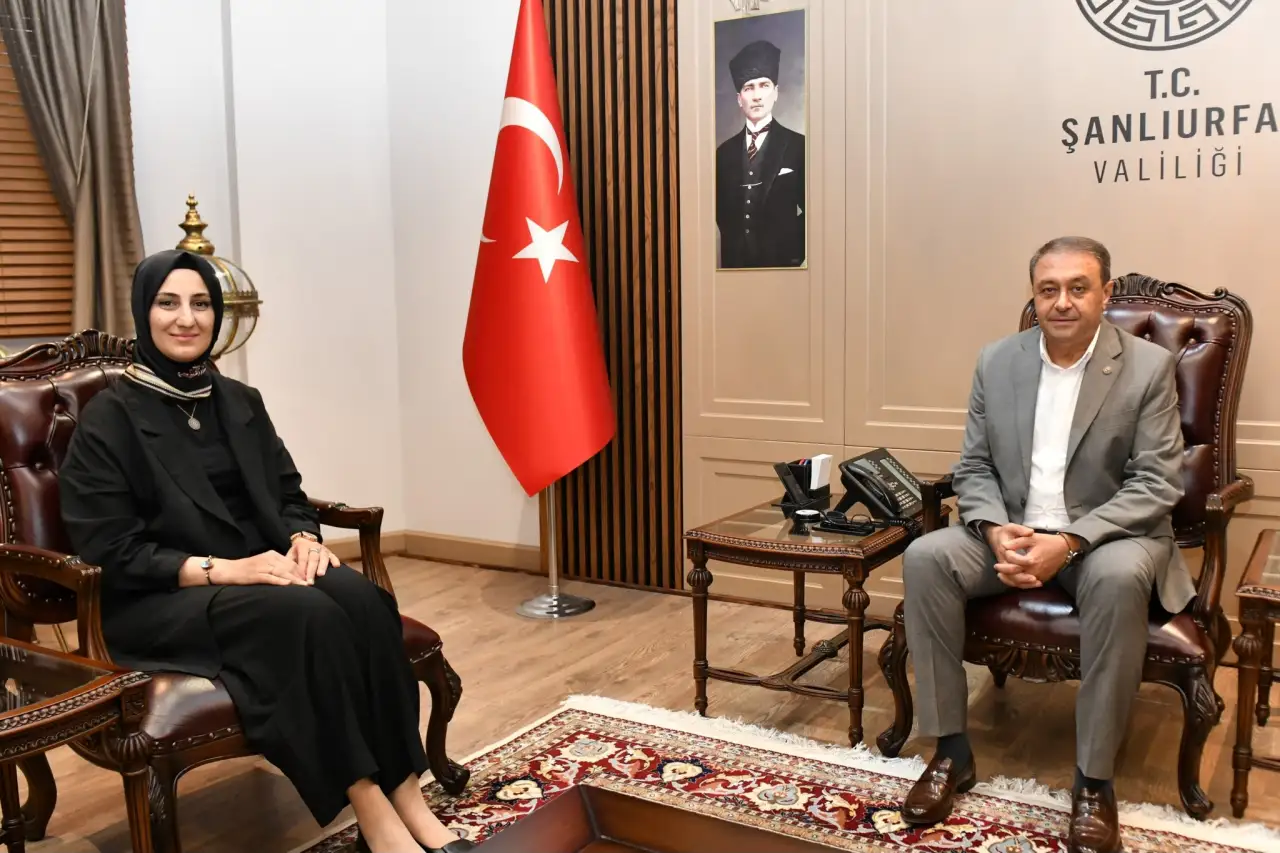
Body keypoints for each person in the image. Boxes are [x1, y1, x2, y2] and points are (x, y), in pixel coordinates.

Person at [58, 250, 472, 853]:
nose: (186, 318)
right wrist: (225, 570)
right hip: (159, 597)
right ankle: (371, 811)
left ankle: (407, 791)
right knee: (307, 616)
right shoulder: (108, 421)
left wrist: (303, 539)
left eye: (201, 304)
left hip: (260, 569)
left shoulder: (238, 400)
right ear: (142, 311)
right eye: (168, 303)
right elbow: (111, 549)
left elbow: (288, 492)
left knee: (363, 600)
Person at [898, 236, 1189, 853]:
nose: (1062, 302)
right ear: (1033, 296)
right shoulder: (996, 361)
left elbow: (1156, 483)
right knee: (926, 557)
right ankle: (950, 751)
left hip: (1107, 536)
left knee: (1117, 578)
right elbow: (974, 466)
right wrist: (992, 529)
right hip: (1013, 530)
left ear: (1106, 294)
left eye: (1078, 288)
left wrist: (1072, 540)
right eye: (1048, 289)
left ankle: (1094, 782)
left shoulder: (1147, 367)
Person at [715, 38, 805, 269]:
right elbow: (719, 214)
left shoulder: (799, 146)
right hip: (734, 270)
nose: (756, 96)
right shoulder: (722, 154)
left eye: (764, 85)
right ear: (739, 99)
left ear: (776, 93)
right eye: (748, 88)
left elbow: (815, 212)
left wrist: (790, 252)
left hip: (783, 269)